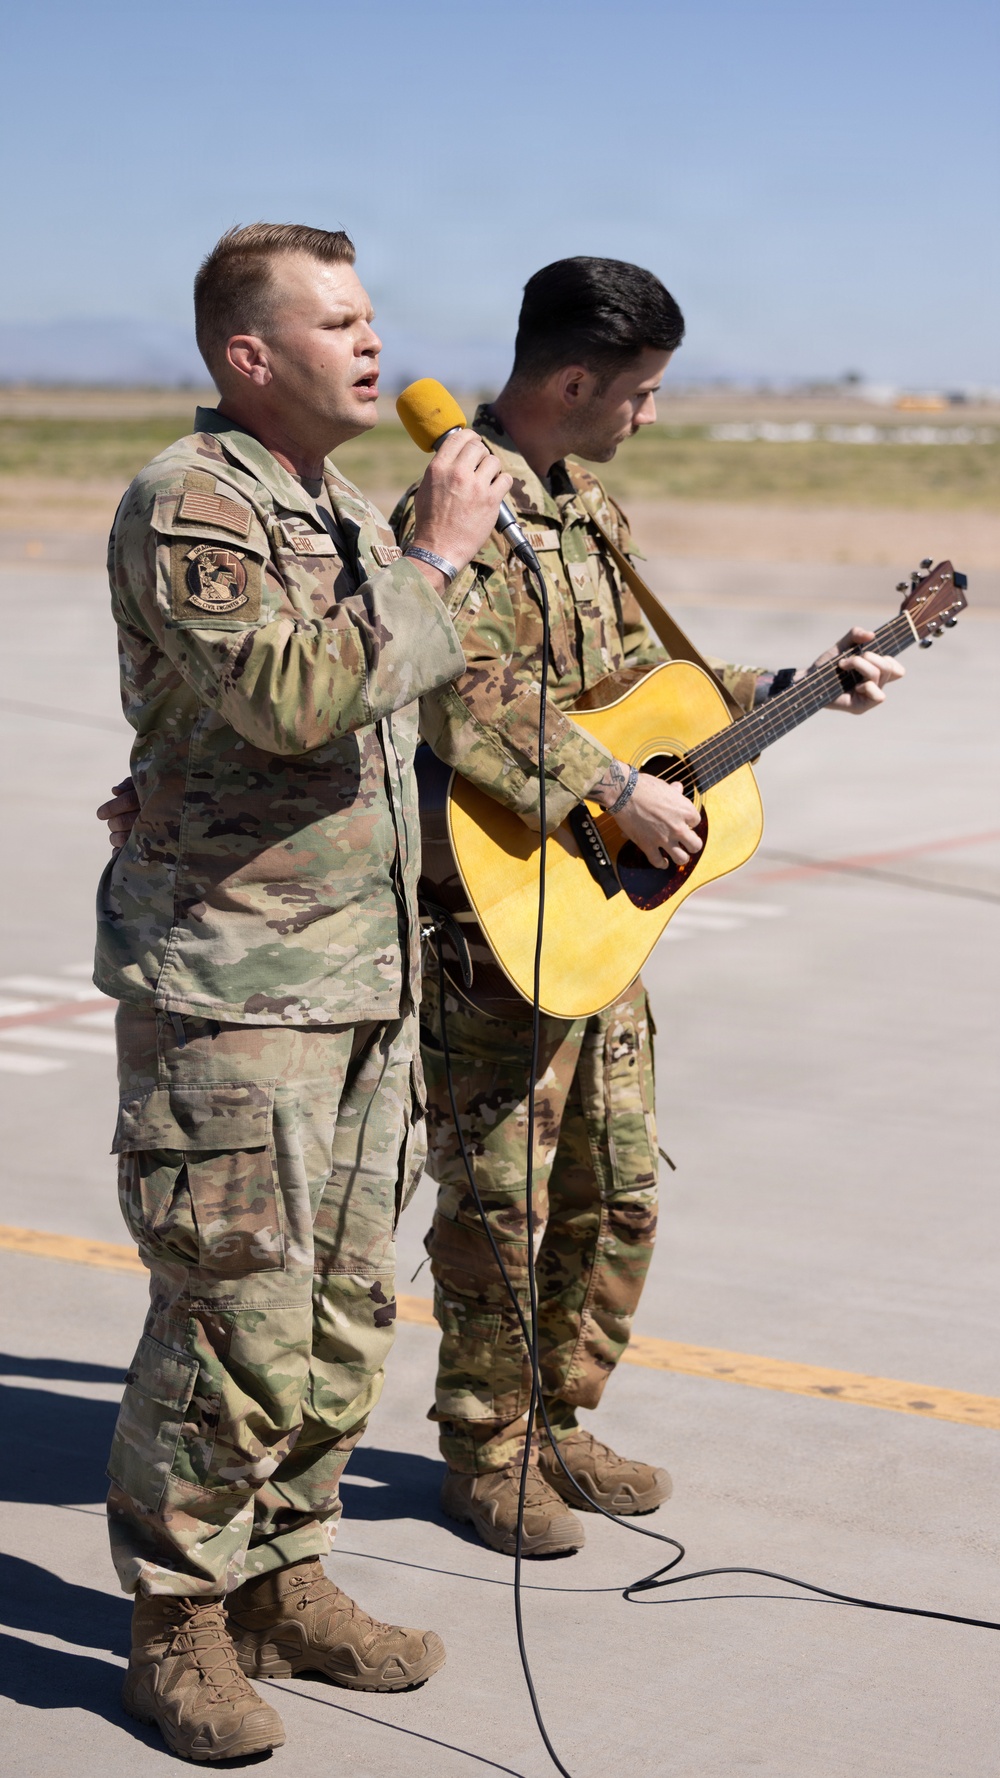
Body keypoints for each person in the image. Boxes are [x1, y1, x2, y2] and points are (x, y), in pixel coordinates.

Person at [391, 257, 903, 1557]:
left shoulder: (588, 512)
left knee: (614, 1192)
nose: (652, 414)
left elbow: (643, 684)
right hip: (496, 922)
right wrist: (615, 789)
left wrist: (792, 682)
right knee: (500, 1202)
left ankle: (560, 1419)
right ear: (575, 381)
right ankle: (488, 1450)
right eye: (644, 391)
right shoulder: (457, 506)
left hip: (599, 917)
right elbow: (455, 692)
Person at [94, 221, 511, 1763]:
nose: (373, 341)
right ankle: (179, 1619)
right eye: (336, 321)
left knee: (340, 1312)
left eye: (372, 314)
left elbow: (396, 703)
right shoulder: (192, 499)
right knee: (232, 1314)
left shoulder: (331, 506)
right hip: (235, 988)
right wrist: (435, 557)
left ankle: (284, 1575)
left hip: (355, 980)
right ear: (248, 355)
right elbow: (294, 696)